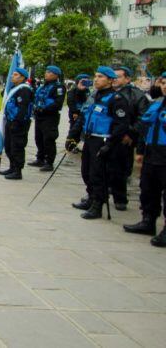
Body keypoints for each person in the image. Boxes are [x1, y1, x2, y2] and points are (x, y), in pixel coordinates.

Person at [66, 66, 130, 219]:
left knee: (98, 174)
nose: (96, 79)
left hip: (103, 140)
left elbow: (121, 125)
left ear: (110, 80)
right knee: (86, 171)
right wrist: (72, 137)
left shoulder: (117, 99)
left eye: (100, 77)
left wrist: (110, 145)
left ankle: (97, 205)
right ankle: (91, 197)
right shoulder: (94, 96)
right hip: (89, 138)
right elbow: (82, 117)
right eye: (95, 76)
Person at [123, 72, 166, 246]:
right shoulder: (156, 104)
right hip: (151, 152)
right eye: (163, 82)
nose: (164, 86)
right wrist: (140, 150)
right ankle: (148, 221)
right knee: (148, 189)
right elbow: (144, 128)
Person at [109, 66, 151, 210]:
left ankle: (120, 199)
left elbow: (143, 118)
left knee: (120, 169)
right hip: (106, 136)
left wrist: (131, 133)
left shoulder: (136, 95)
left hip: (124, 137)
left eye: (118, 76)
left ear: (127, 79)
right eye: (113, 76)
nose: (115, 79)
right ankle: (98, 195)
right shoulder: (106, 93)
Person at [28, 65, 66, 172]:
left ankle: (49, 162)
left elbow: (58, 104)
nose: (46, 74)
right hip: (39, 116)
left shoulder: (58, 87)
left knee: (48, 139)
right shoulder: (43, 86)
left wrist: (44, 109)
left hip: (50, 117)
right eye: (46, 72)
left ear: (55, 75)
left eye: (49, 72)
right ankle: (40, 158)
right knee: (38, 138)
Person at [0, 68, 34, 180]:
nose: (12, 76)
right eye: (12, 75)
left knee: (17, 146)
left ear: (22, 77)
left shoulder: (24, 90)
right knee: (8, 146)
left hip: (19, 122)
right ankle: (12, 167)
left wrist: (17, 122)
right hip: (10, 120)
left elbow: (23, 108)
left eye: (15, 75)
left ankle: (18, 171)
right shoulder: (14, 88)